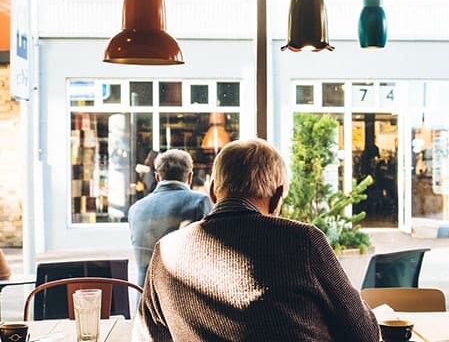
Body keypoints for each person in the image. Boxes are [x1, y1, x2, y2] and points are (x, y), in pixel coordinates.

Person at [132, 138, 380, 342]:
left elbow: (148, 337)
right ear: (277, 197)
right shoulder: (303, 241)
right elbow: (364, 334)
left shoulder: (165, 252)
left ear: (212, 191)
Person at [128, 149, 213, 287]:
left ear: (157, 177)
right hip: (182, 298)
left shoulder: (135, 209)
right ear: (190, 177)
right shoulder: (200, 202)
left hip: (144, 298)